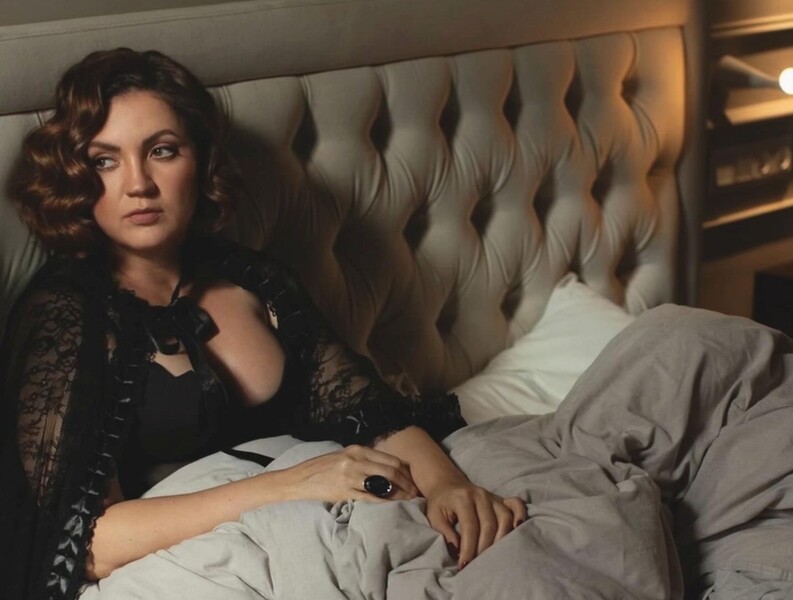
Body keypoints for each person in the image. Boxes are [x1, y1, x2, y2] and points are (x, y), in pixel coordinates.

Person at [0, 48, 527, 600]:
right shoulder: (65, 314)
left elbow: (368, 410)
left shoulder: (252, 277)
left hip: (332, 515)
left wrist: (448, 485)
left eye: (162, 150)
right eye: (105, 160)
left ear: (200, 160)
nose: (139, 184)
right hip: (204, 563)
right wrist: (287, 486)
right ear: (76, 177)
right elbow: (84, 543)